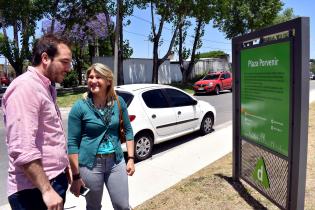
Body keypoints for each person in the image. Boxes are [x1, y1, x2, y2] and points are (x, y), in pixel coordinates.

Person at [2, 34, 73, 210]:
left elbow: (49, 135)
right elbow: (22, 148)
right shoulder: (25, 87)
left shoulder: (46, 87)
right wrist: (47, 189)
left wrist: (64, 167)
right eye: (65, 62)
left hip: (50, 183)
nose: (69, 68)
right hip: (33, 192)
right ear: (45, 58)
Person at [68, 63, 135, 210]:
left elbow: (129, 131)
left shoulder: (119, 102)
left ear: (108, 81)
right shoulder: (80, 107)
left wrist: (130, 158)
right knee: (93, 206)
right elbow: (72, 143)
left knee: (122, 205)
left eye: (98, 77)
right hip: (90, 166)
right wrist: (76, 175)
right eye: (90, 77)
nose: (93, 80)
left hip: (116, 162)